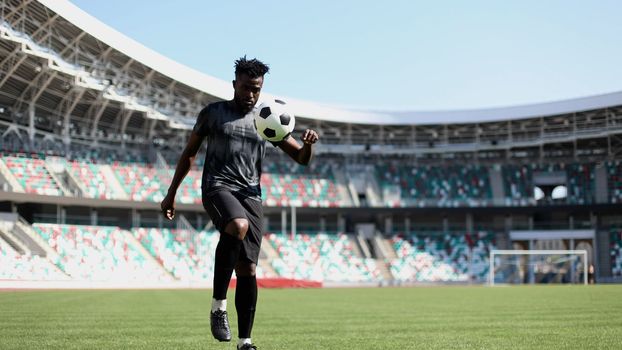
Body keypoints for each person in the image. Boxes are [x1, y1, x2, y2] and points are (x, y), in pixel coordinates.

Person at [160, 56, 319, 350]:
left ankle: (246, 341)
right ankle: (218, 306)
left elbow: (300, 158)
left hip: (251, 195)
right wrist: (172, 193)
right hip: (217, 187)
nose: (250, 95)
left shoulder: (267, 119)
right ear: (234, 84)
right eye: (246, 88)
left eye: (256, 89)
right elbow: (190, 153)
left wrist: (308, 144)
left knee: (248, 270)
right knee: (237, 225)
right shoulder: (213, 114)